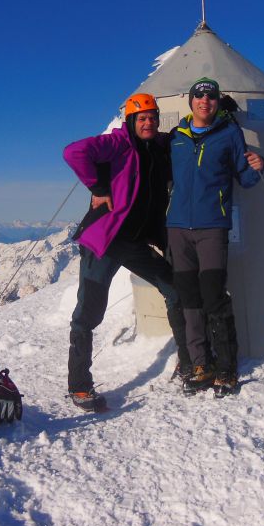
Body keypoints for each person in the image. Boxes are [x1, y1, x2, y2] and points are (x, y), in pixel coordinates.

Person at [62, 93, 189, 411]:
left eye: (152, 117)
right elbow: (73, 151)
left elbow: (187, 138)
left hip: (135, 243)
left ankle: (188, 363)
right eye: (142, 118)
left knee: (175, 289)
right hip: (105, 242)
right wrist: (98, 187)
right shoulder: (118, 143)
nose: (148, 123)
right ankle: (79, 387)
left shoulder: (158, 146)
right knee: (88, 314)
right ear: (131, 121)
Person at [167, 77, 264, 398]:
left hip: (212, 228)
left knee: (213, 297)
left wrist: (257, 166)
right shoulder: (176, 137)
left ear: (217, 102)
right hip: (177, 228)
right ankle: (199, 365)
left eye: (210, 98)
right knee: (189, 301)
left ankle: (225, 368)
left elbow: (246, 178)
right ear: (190, 102)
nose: (204, 102)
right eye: (199, 97)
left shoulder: (228, 134)